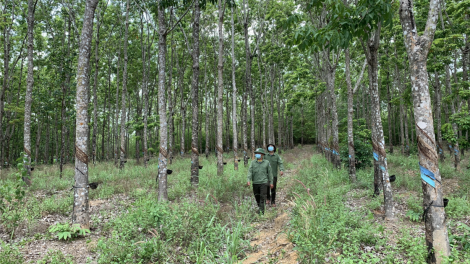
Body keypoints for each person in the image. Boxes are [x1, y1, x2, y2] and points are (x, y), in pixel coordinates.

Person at [247, 148, 273, 214]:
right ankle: (260, 207)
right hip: (255, 182)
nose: (257, 155)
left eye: (258, 154)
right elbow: (250, 171)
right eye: (256, 154)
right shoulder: (253, 163)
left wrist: (271, 182)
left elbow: (270, 173)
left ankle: (261, 212)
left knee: (262, 196)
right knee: (257, 197)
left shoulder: (267, 163)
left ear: (262, 155)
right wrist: (248, 180)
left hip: (264, 182)